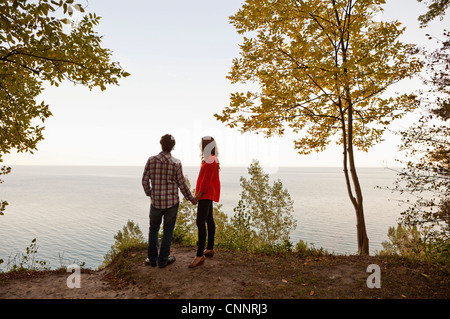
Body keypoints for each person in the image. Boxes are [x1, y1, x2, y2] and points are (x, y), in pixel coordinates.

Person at [142, 134, 195, 268]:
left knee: (153, 229)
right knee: (168, 230)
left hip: (156, 202)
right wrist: (191, 198)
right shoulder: (176, 163)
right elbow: (182, 183)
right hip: (171, 202)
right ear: (173, 146)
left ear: (161, 144)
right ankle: (163, 260)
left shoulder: (151, 160)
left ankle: (152, 259)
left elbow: (144, 180)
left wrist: (150, 193)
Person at [189, 136, 221, 268]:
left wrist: (197, 196)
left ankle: (199, 255)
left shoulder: (209, 160)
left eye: (201, 144)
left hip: (205, 194)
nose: (199, 146)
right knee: (209, 220)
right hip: (209, 194)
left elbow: (206, 181)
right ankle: (209, 248)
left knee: (200, 222)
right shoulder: (213, 159)